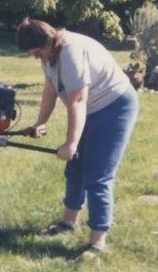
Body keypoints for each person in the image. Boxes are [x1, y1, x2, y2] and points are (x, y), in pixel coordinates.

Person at [16, 18, 138, 257]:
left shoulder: (71, 52)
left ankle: (97, 241)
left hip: (114, 107)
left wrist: (71, 143)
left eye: (37, 52)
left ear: (49, 41)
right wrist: (40, 123)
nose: (36, 57)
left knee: (97, 175)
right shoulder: (50, 54)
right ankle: (68, 223)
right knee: (75, 169)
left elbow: (78, 100)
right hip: (90, 108)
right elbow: (50, 89)